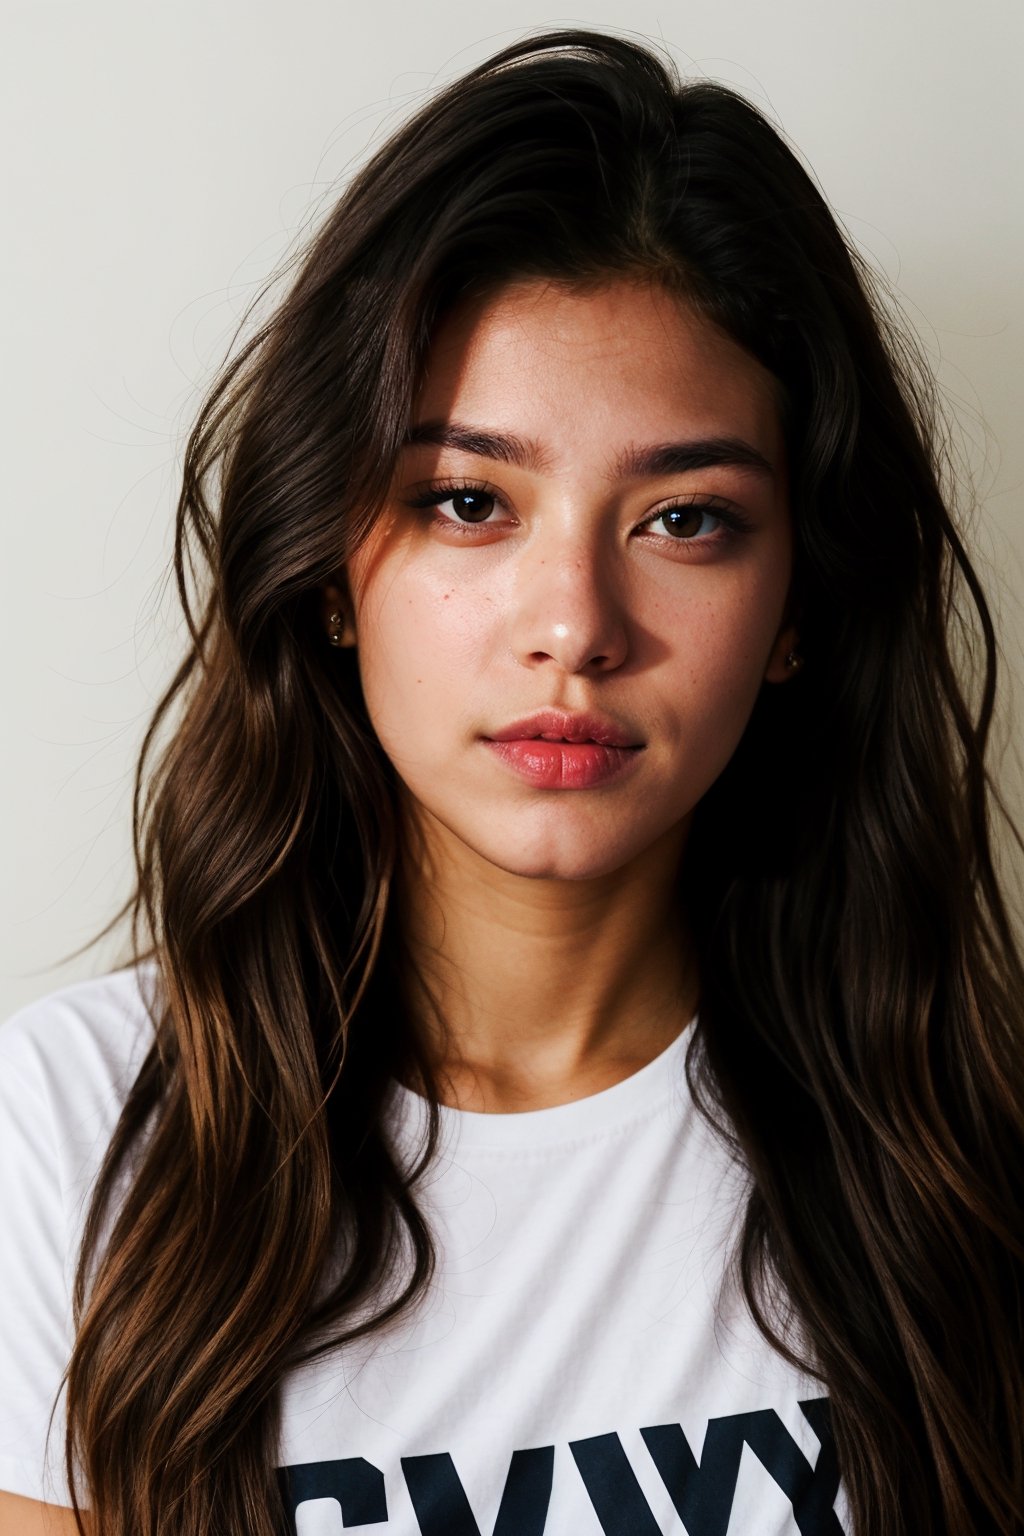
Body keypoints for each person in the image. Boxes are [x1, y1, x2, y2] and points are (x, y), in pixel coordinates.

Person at [1, 26, 1021, 1536]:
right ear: (335, 570)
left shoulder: (956, 1145)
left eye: (686, 519)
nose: (576, 628)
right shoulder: (81, 1135)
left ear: (801, 606)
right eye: (469, 502)